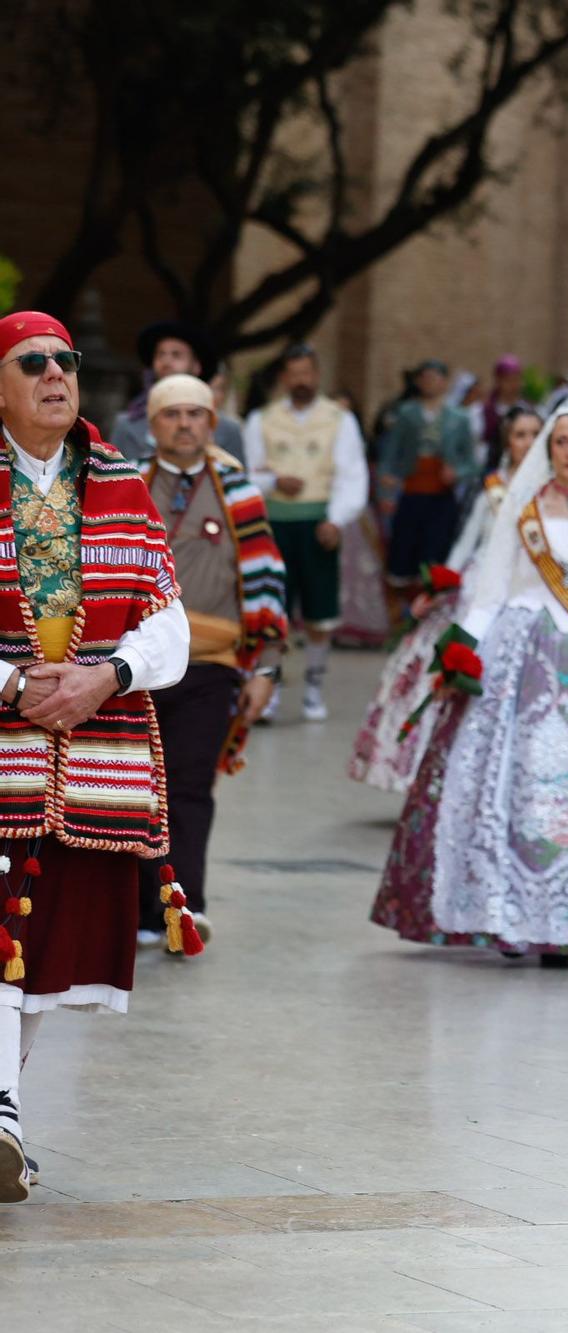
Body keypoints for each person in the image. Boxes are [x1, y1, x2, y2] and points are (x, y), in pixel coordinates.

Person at [368, 400, 568, 965]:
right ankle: (509, 914)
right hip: (520, 653)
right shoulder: (521, 510)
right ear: (548, 450)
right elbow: (489, 591)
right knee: (511, 783)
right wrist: (460, 654)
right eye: (561, 442)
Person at [0, 311, 191, 1204]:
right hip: (3, 737)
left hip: (91, 749)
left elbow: (171, 627)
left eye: (65, 361)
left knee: (34, 956)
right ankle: (1, 1118)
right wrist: (12, 687)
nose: (54, 375)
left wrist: (106, 675)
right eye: (32, 362)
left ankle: (3, 1115)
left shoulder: (122, 482)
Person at [138, 375, 286, 947]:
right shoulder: (125, 487)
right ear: (153, 426)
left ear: (211, 422)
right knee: (134, 790)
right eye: (171, 414)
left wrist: (266, 667)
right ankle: (138, 914)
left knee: (190, 787)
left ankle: (183, 908)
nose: (183, 424)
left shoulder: (239, 492)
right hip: (136, 664)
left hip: (211, 664)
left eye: (194, 414)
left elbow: (269, 579)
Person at [350, 405, 541, 794]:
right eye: (520, 435)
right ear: (507, 442)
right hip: (481, 586)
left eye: (536, 434)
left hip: (529, 591)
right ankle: (429, 770)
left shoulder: (552, 491)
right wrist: (442, 586)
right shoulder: (492, 487)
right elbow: (467, 542)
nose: (529, 443)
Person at [242, 344, 368, 723]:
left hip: (318, 524)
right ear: (284, 378)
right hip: (274, 523)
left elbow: (352, 476)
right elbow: (247, 474)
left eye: (307, 372)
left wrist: (337, 519)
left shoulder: (339, 419)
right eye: (293, 373)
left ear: (317, 374)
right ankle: (272, 689)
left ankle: (313, 686)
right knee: (274, 610)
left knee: (319, 614)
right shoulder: (261, 419)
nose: (301, 380)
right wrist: (274, 479)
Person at [378, 359, 480, 606]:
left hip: (441, 496)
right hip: (411, 490)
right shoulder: (406, 413)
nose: (430, 382)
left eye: (435, 377)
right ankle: (403, 610)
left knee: (435, 553)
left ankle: (431, 605)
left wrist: (456, 472)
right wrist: (386, 488)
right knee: (403, 554)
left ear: (445, 382)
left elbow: (472, 462)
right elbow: (390, 454)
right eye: (425, 377)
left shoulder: (458, 417)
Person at [110, 321, 246, 465]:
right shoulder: (127, 424)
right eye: (160, 354)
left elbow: (239, 480)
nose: (166, 361)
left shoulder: (228, 429)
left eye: (176, 355)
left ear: (196, 366)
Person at [480, 354, 533, 468]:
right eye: (508, 380)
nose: (512, 385)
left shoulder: (528, 410)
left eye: (516, 379)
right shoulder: (483, 410)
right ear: (498, 380)